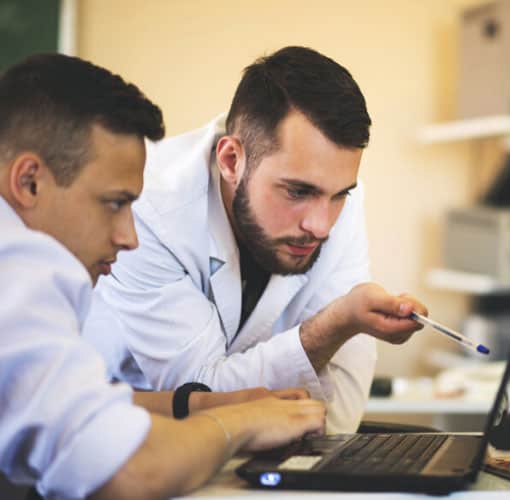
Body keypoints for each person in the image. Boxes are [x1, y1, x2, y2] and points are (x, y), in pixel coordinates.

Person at [0, 53, 327, 499]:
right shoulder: (14, 263)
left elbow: (60, 402)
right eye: (114, 203)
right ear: (30, 181)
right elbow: (131, 469)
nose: (129, 237)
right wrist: (243, 423)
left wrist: (207, 404)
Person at [82, 46, 427, 433]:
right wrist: (336, 324)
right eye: (297, 191)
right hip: (126, 443)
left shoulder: (336, 196)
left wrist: (318, 471)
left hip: (255, 446)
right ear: (232, 161)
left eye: (339, 194)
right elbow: (198, 391)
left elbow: (342, 399)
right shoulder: (149, 206)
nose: (321, 226)